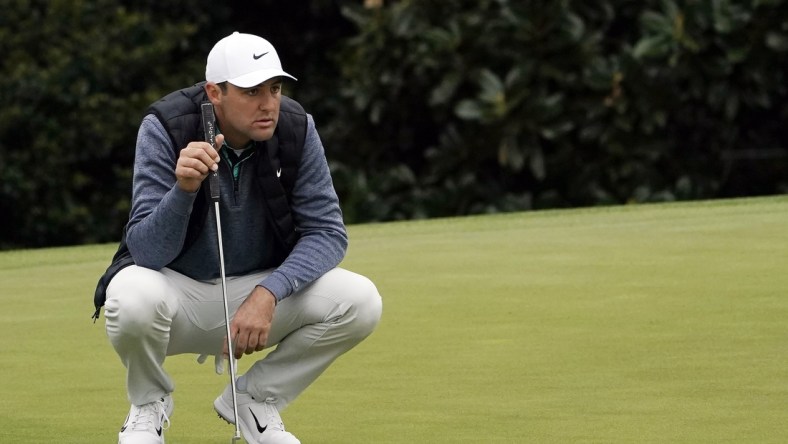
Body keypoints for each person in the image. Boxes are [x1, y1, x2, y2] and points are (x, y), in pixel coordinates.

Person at [95, 32, 383, 444]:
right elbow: (144, 251)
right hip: (177, 296)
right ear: (215, 92)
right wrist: (184, 190)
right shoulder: (166, 126)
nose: (268, 104)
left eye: (275, 88)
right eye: (251, 91)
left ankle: (253, 401)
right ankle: (148, 406)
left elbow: (327, 233)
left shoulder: (296, 128)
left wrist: (269, 294)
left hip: (257, 293)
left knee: (361, 300)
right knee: (130, 293)